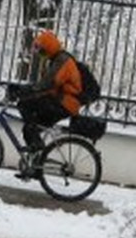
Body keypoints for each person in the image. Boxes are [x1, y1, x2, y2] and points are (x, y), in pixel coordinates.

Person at [6, 29, 83, 176]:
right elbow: (47, 87)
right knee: (29, 128)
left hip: (65, 103)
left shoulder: (62, 61)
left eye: (42, 52)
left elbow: (48, 84)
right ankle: (35, 166)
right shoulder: (56, 59)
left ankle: (37, 146)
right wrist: (28, 91)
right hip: (61, 101)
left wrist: (25, 90)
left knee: (26, 106)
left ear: (49, 48)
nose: (41, 55)